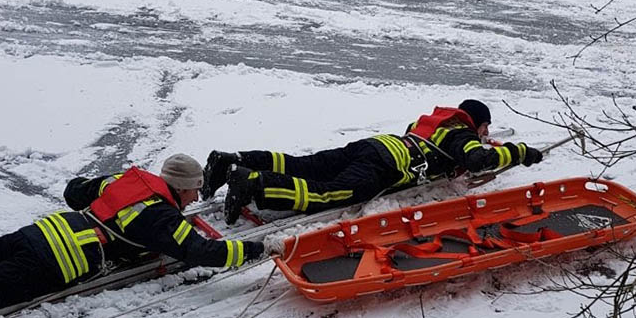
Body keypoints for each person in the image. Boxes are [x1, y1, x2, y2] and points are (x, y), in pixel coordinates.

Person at [0, 154, 276, 318]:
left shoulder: (128, 180)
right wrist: (259, 248)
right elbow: (205, 252)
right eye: (194, 192)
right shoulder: (162, 216)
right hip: (58, 260)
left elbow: (74, 192)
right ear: (179, 188)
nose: (196, 199)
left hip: (43, 231)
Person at [202, 99, 544, 224]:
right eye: (485, 127)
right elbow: (479, 160)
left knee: (304, 165)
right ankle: (253, 185)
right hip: (386, 167)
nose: (486, 133)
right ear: (476, 122)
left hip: (377, 145)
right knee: (327, 192)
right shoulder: (461, 135)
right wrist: (519, 152)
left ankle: (233, 161)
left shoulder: (437, 124)